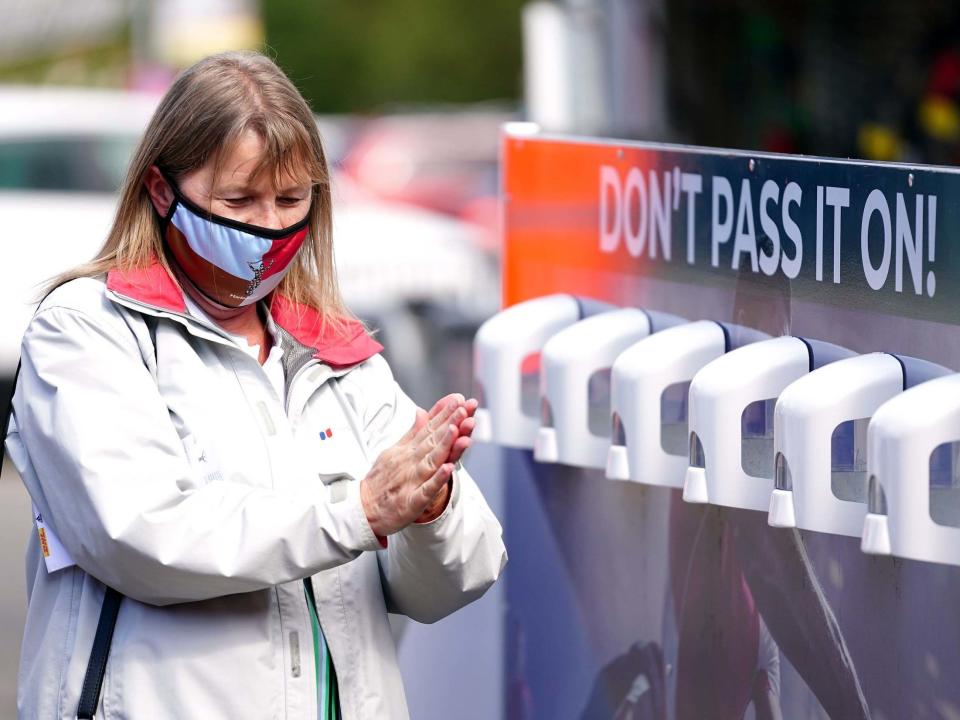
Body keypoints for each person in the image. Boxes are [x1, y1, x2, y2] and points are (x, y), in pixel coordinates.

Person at [3, 51, 507, 720]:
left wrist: (430, 505)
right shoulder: (88, 331)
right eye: (239, 199)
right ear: (161, 190)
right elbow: (143, 536)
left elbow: (452, 585)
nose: (270, 226)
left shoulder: (334, 349)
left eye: (291, 199)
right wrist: (360, 511)